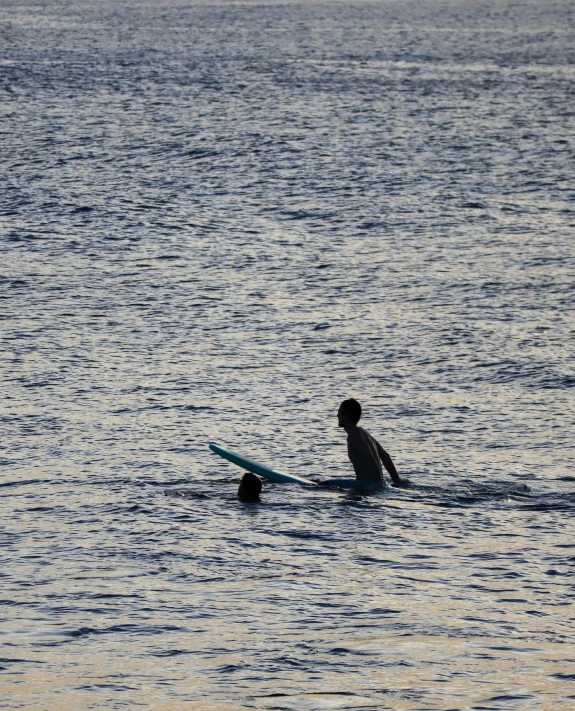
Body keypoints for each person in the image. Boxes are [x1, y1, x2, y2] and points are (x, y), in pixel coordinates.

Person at [337, 398, 404, 487]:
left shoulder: (354, 437)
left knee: (324, 485)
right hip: (376, 484)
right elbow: (385, 456)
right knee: (320, 483)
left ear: (346, 416)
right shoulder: (363, 432)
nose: (337, 415)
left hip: (369, 486)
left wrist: (374, 486)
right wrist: (397, 481)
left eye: (339, 412)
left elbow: (370, 459)